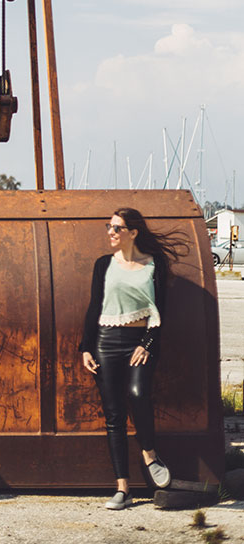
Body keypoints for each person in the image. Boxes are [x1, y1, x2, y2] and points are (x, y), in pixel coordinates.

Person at [80, 207, 182, 511]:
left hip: (140, 342)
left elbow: (159, 311)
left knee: (138, 394)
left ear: (133, 233)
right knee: (114, 415)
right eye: (109, 227)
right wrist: (86, 347)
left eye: (117, 228)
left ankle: (150, 454)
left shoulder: (154, 265)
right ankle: (122, 488)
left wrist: (147, 343)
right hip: (106, 343)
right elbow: (93, 307)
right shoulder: (103, 265)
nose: (110, 232)